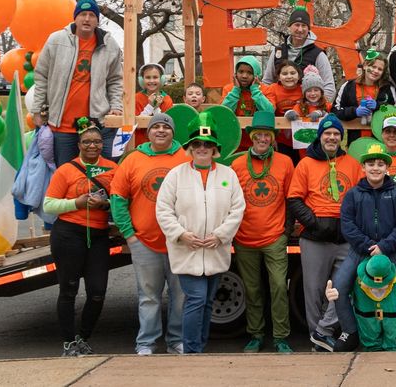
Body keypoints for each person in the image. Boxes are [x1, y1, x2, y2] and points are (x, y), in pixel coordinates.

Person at [156, 112, 246, 354]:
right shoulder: (176, 175)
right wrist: (180, 234)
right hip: (188, 250)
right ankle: (192, 350)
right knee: (196, 298)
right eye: (197, 144)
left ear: (215, 148)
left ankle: (200, 345)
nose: (202, 148)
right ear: (190, 148)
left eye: (207, 145)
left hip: (215, 250)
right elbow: (163, 209)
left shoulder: (228, 175)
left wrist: (221, 234)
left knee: (207, 302)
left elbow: (238, 208)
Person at [331, 142, 396, 351]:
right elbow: (347, 225)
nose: (375, 168)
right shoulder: (353, 194)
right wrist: (368, 246)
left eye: (380, 164)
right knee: (339, 287)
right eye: (371, 164)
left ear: (386, 168)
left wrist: (384, 246)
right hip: (359, 252)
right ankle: (350, 332)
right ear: (363, 168)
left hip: (392, 252)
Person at [109, 111, 190, 355]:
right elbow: (118, 197)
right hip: (144, 241)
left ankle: (176, 340)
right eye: (156, 127)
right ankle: (146, 343)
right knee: (148, 297)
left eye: (166, 127)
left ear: (173, 132)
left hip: (179, 241)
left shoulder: (185, 157)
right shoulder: (133, 159)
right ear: (149, 131)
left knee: (180, 296)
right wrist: (129, 234)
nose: (161, 131)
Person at [286, 115, 364, 352]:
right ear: (320, 136)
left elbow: (361, 195)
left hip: (344, 238)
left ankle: (325, 330)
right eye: (327, 133)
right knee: (315, 290)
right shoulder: (306, 165)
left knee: (344, 285)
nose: (331, 137)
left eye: (336, 134)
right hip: (315, 238)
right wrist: (314, 223)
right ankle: (315, 338)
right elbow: (294, 198)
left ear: (342, 138)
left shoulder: (351, 163)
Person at [42, 117, 116, 356]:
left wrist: (104, 205)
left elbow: (120, 202)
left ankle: (83, 336)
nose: (92, 146)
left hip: (98, 235)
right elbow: (49, 205)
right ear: (79, 144)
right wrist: (77, 202)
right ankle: (68, 342)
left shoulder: (112, 169)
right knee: (69, 289)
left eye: (96, 141)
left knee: (97, 292)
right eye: (87, 142)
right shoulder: (66, 170)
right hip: (68, 234)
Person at [230, 111, 296, 354]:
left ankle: (281, 337)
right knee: (252, 289)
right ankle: (256, 334)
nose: (262, 138)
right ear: (252, 137)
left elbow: (292, 198)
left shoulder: (285, 162)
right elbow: (229, 199)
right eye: (258, 134)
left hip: (275, 236)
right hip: (245, 237)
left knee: (279, 286)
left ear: (272, 137)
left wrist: (286, 231)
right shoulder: (237, 165)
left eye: (266, 134)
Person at [32, 0, 123, 164]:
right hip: (62, 125)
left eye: (92, 15)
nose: (87, 19)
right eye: (83, 14)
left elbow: (116, 80)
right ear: (75, 18)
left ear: (97, 20)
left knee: (96, 176)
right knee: (65, 175)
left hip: (95, 126)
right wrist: (37, 109)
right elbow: (41, 76)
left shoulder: (110, 45)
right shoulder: (56, 40)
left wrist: (116, 106)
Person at [263, 3, 335, 98]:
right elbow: (267, 82)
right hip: (278, 109)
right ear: (289, 26)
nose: (300, 29)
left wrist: (320, 107)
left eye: (304, 25)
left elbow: (329, 87)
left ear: (308, 29)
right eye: (296, 25)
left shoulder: (318, 54)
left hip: (307, 109)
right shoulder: (278, 51)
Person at [333, 49, 396, 122]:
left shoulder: (387, 88)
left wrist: (378, 106)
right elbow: (336, 111)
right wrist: (354, 111)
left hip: (379, 132)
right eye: (373, 66)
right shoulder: (349, 86)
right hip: (355, 132)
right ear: (365, 66)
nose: (376, 71)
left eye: (380, 69)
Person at [263, 60, 305, 159]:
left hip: (302, 138)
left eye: (293, 73)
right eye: (284, 73)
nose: (289, 76)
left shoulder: (304, 89)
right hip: (280, 139)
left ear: (299, 75)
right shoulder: (273, 89)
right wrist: (271, 137)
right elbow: (269, 110)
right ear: (278, 77)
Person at [133, 63, 173, 147]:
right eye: (148, 77)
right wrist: (150, 106)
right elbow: (136, 126)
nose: (151, 81)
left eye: (155, 77)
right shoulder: (136, 98)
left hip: (161, 145)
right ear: (141, 80)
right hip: (139, 144)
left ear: (161, 79)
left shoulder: (167, 100)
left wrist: (156, 108)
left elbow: (165, 125)